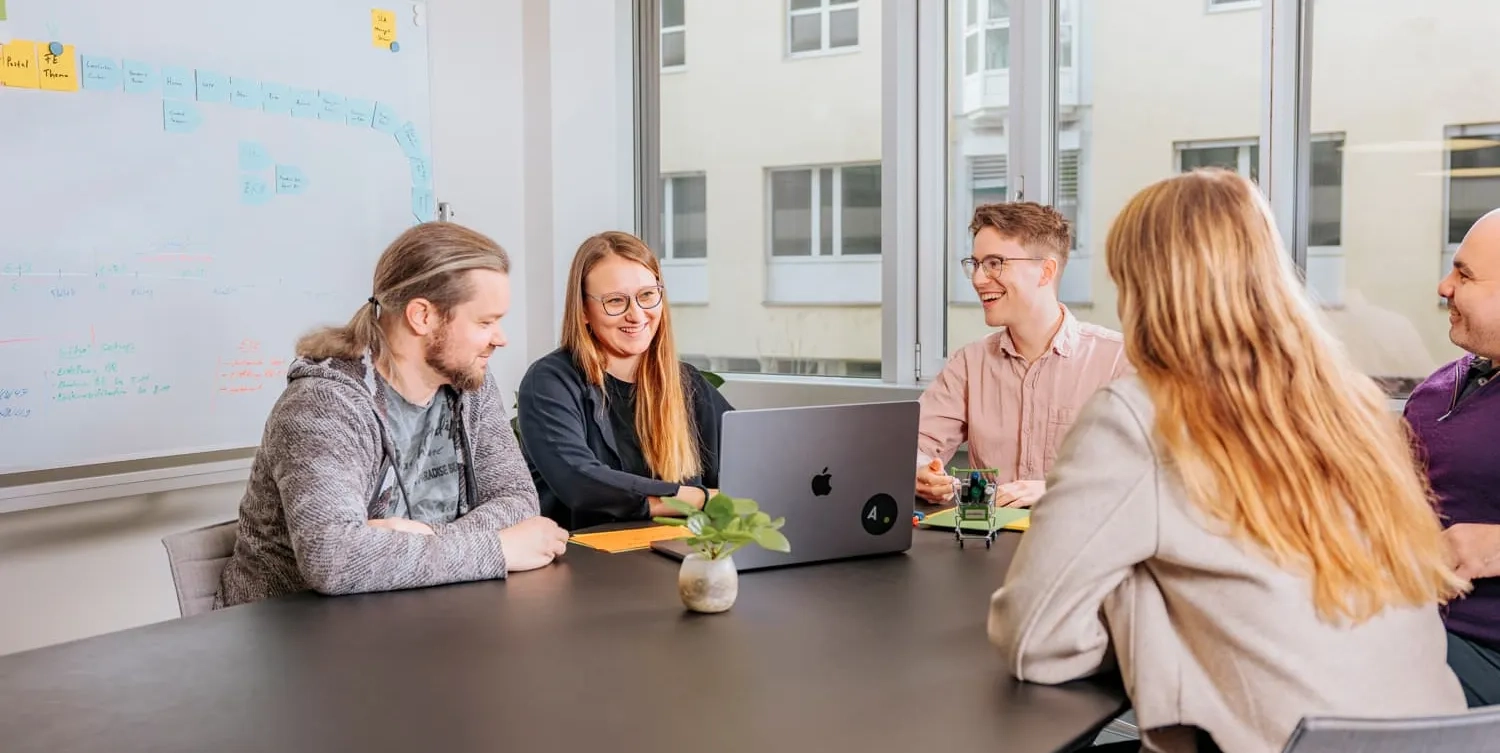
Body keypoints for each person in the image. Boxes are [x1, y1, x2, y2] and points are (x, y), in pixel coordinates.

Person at [988, 169, 1468, 753]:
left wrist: (1140, 613)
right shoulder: (1353, 407)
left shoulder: (1142, 414)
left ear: (1144, 288)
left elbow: (1032, 640)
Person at [215, 223, 569, 609]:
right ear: (422, 316)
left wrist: (422, 538)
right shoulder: (323, 404)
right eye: (485, 322)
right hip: (293, 640)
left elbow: (516, 499)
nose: (500, 338)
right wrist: (496, 547)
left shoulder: (469, 382)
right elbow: (334, 558)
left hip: (419, 617)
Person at [916, 201, 1128, 508]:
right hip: (985, 546)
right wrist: (922, 472)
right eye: (975, 264)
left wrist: (1056, 489)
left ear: (1045, 271)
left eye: (994, 263)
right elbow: (915, 446)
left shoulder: (1117, 361)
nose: (978, 279)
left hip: (1078, 543)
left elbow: (1151, 473)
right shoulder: (969, 364)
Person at [516, 231, 733, 531]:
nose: (637, 314)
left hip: (678, 556)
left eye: (647, 296)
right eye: (616, 301)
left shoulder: (685, 382)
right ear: (583, 312)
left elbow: (749, 464)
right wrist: (696, 499)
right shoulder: (549, 383)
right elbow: (582, 483)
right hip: (585, 564)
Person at [1405, 207, 1500, 708]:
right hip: (1409, 617)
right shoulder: (1440, 386)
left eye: (1464, 274)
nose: (1444, 287)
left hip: (1481, 646)